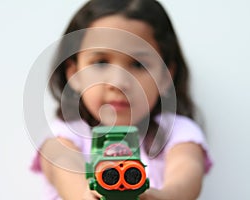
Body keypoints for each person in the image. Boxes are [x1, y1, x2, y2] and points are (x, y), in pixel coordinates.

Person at [31, 0, 213, 199]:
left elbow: (186, 175)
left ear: (165, 76)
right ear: (74, 74)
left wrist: (164, 196)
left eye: (138, 64)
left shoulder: (178, 132)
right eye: (101, 63)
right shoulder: (63, 135)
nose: (118, 82)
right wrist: (85, 194)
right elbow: (64, 170)